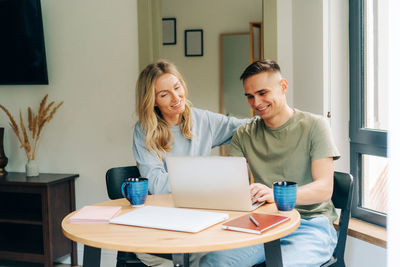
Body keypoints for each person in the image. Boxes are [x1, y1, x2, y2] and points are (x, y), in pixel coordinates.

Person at [199, 59, 340, 267]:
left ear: (283, 87)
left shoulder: (315, 126)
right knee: (212, 262)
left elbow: (324, 190)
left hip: (310, 224)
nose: (256, 103)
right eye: (249, 96)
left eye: (263, 93)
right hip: (264, 223)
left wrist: (274, 195)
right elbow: (233, 187)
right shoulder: (244, 134)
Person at [132, 60, 249, 266]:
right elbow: (156, 185)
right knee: (147, 251)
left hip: (200, 215)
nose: (176, 98)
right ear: (153, 101)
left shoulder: (202, 120)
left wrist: (283, 116)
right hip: (165, 216)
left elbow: (247, 128)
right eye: (164, 94)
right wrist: (207, 179)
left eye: (177, 88)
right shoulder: (144, 131)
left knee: (214, 253)